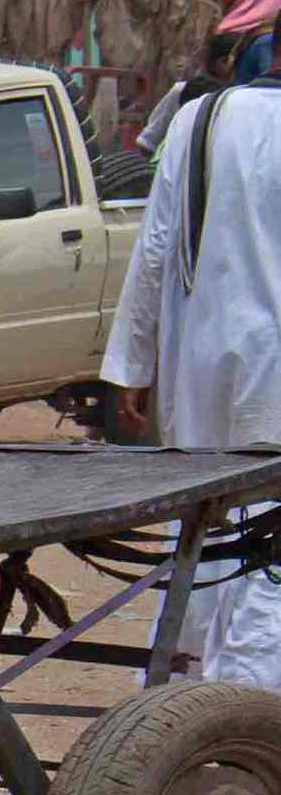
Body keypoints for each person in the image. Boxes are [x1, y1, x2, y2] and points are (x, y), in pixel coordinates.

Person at [109, 47, 281, 681]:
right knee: (269, 540)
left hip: (201, 356)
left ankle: (178, 688)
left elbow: (155, 242)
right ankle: (245, 707)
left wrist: (136, 360)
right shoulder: (197, 117)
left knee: (206, 526)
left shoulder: (200, 118)